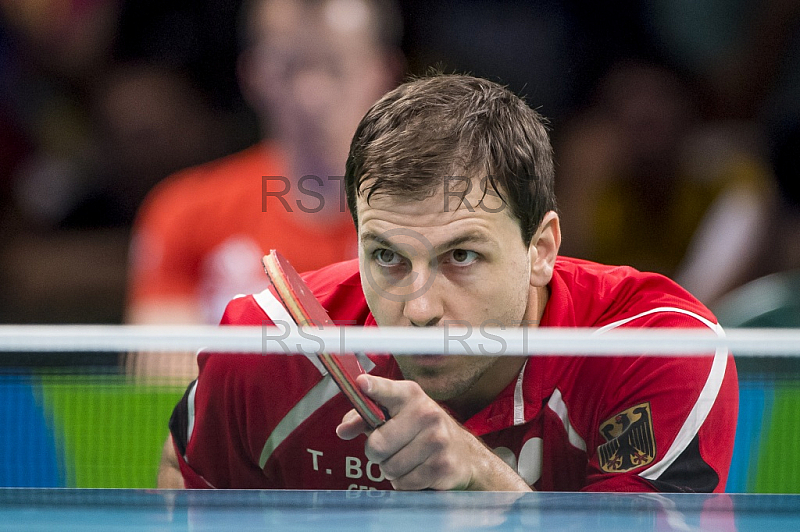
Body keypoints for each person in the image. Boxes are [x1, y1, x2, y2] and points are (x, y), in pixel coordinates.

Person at [158, 74, 738, 492]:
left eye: (460, 255)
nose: (420, 308)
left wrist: (481, 479)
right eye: (387, 256)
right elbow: (186, 484)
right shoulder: (274, 345)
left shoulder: (656, 348)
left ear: (541, 250)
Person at [126, 0, 403, 327]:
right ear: (251, 74)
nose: (310, 95)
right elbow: (165, 372)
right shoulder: (184, 212)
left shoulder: (430, 217)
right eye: (289, 68)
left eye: (334, 66)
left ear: (383, 72)